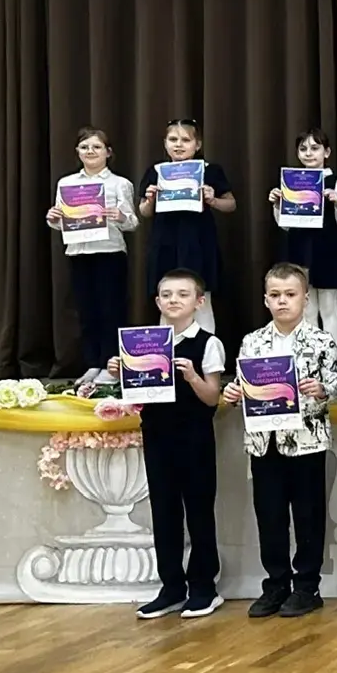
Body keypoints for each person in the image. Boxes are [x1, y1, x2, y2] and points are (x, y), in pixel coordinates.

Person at [226, 262, 337, 618]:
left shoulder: (322, 341)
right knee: (270, 516)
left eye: (290, 294)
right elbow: (245, 387)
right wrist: (234, 393)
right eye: (275, 295)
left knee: (308, 517)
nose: (283, 301)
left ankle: (307, 587)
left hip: (307, 441)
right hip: (264, 443)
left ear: (305, 299)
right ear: (265, 300)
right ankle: (276, 584)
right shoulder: (252, 342)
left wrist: (323, 390)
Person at [107, 269, 225, 619]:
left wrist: (192, 377)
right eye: (167, 294)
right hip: (157, 436)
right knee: (164, 512)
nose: (174, 300)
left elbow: (212, 398)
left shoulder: (208, 343)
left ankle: (204, 588)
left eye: (183, 294)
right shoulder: (142, 344)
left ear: (199, 302)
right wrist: (121, 372)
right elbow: (138, 394)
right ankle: (171, 587)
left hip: (195, 437)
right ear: (157, 301)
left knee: (199, 511)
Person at [48, 126, 138, 389]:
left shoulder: (120, 184)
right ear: (77, 151)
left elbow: (133, 222)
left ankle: (111, 364)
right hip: (79, 252)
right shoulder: (66, 184)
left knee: (111, 311)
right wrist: (53, 218)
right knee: (86, 311)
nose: (90, 151)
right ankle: (92, 364)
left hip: (110, 252)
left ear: (108, 152)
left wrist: (120, 216)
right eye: (85, 147)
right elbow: (61, 222)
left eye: (97, 147)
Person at [137, 117, 236, 334]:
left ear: (197, 144)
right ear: (165, 143)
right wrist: (150, 199)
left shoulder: (210, 170)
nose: (179, 145)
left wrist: (213, 200)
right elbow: (144, 211)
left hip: (199, 243)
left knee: (201, 299)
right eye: (173, 139)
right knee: (168, 299)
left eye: (186, 140)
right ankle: (169, 352)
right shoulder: (155, 171)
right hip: (165, 243)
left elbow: (231, 204)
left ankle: (206, 353)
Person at [267, 127, 337, 341]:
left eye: (315, 148)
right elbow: (284, 225)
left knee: (329, 306)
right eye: (303, 148)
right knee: (307, 307)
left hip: (328, 248)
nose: (308, 153)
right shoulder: (291, 181)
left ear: (327, 152)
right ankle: (311, 354)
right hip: (300, 247)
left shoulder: (336, 182)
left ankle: (330, 356)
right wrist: (277, 205)